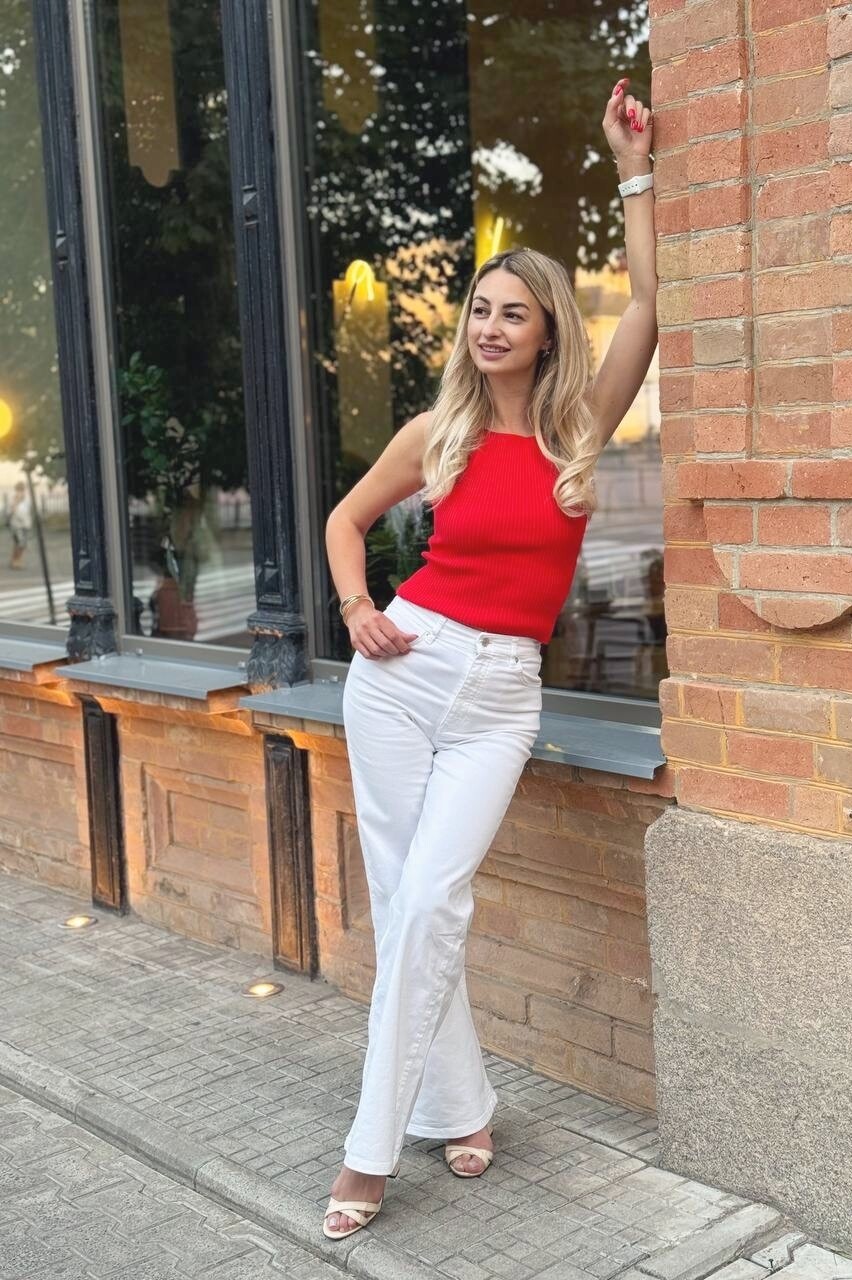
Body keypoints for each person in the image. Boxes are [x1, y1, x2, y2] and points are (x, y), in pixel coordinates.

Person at [322, 76, 658, 1240]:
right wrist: (356, 605)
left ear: (549, 328)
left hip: (502, 695)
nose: (492, 327)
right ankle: (442, 1113)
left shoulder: (575, 431)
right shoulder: (440, 433)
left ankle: (383, 1142)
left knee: (432, 899)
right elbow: (344, 519)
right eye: (480, 309)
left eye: (515, 312)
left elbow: (651, 304)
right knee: (406, 905)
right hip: (400, 673)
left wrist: (632, 170)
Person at [7, 480, 33, 571]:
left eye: (22, 490)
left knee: (22, 544)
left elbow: (28, 512)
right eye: (19, 490)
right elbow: (10, 512)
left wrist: (29, 522)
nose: (21, 492)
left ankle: (17, 559)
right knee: (19, 543)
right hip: (16, 525)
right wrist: (16, 501)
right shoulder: (12, 499)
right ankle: (15, 561)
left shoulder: (27, 500)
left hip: (25, 524)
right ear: (16, 490)